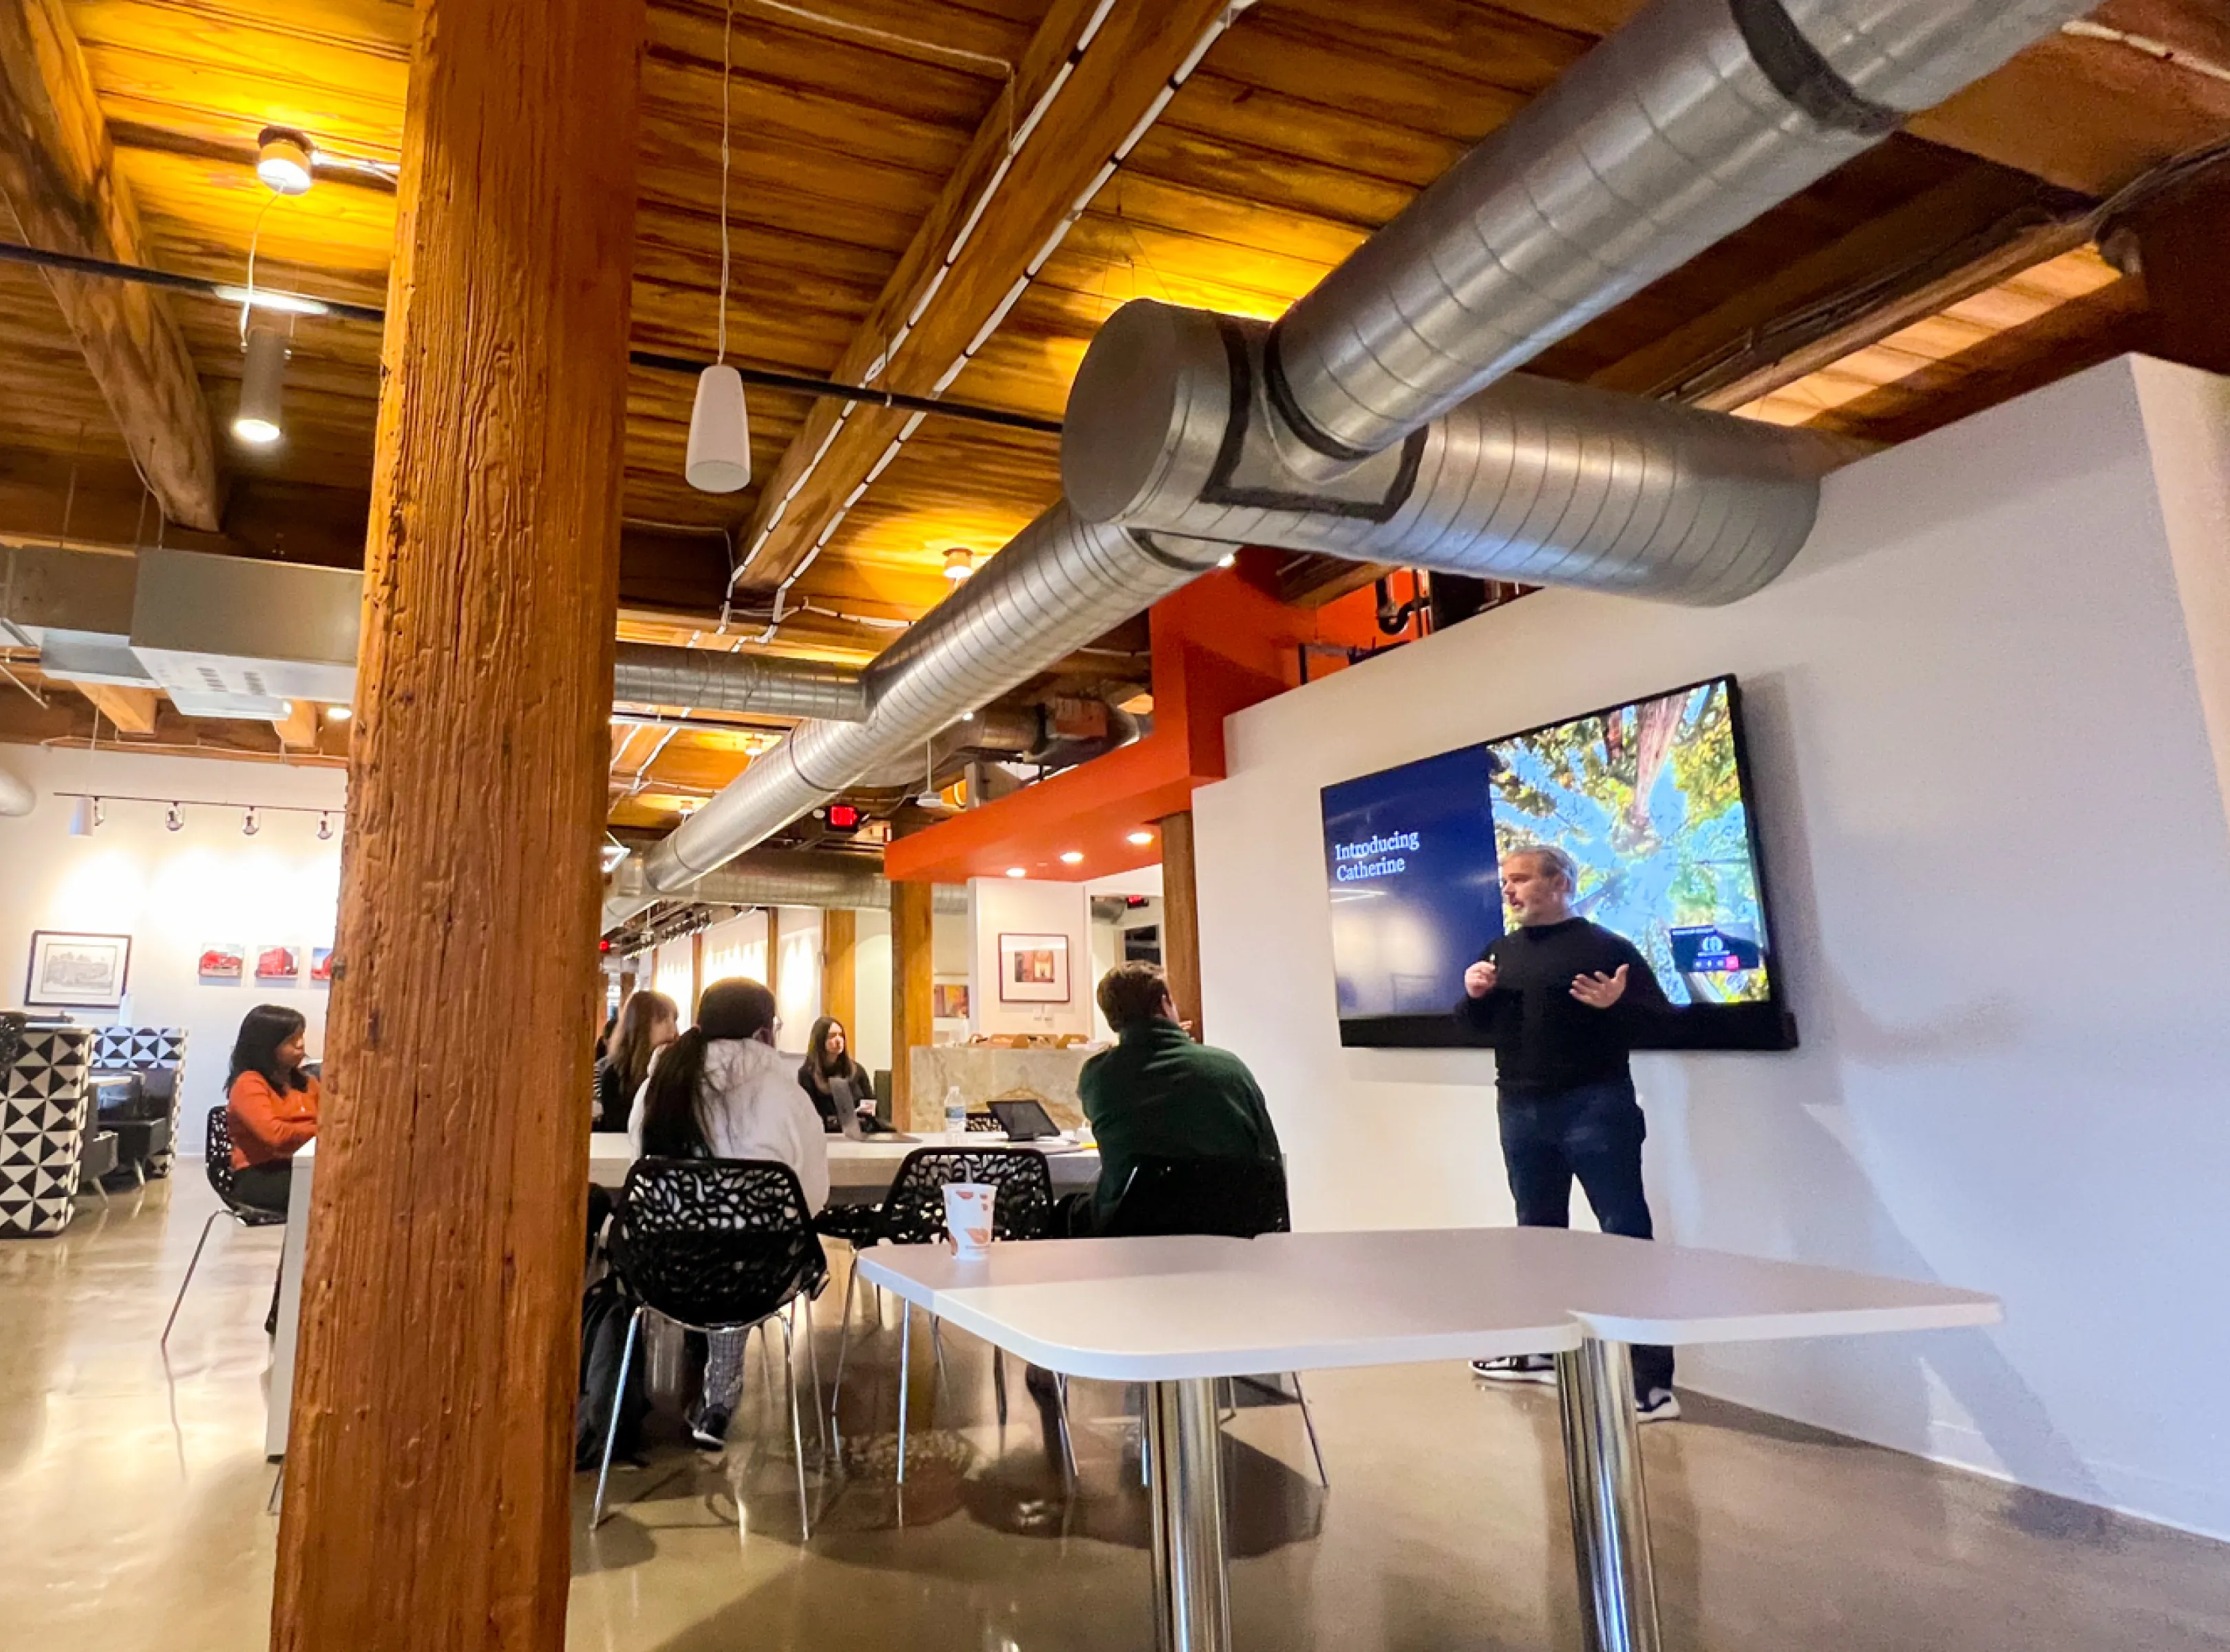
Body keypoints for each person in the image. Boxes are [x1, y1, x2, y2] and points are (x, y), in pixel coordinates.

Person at [1457, 843, 1681, 1421]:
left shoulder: (1607, 948)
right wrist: (1475, 996)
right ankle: (1538, 1349)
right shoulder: (1499, 952)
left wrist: (1616, 1006)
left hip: (1596, 1107)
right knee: (1536, 1234)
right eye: (1505, 880)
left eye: (1522, 879)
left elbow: (1662, 1023)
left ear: (1561, 884)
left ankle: (1649, 1382)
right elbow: (1476, 1028)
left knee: (1624, 1237)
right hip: (1520, 1106)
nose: (1508, 889)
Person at [626, 977, 829, 1448]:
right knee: (741, 1250)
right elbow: (812, 1201)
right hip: (758, 1281)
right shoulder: (788, 1098)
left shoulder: (659, 1089)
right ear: (764, 1033)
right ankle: (720, 1394)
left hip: (665, 1274)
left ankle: (695, 1394)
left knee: (715, 1246)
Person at [1076, 962, 1282, 1231]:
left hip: (1133, 1228)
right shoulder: (1229, 1067)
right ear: (1165, 1003)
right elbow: (1268, 1153)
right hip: (1231, 1224)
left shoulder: (1098, 1075)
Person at [225, 1004, 319, 1216]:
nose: (301, 1045)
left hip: (302, 1166)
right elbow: (275, 1136)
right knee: (335, 1191)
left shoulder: (307, 1082)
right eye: (291, 1040)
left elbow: (336, 1121)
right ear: (266, 1046)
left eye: (301, 1036)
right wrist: (320, 1131)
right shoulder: (249, 1084)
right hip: (261, 1175)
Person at [596, 989, 677, 1133]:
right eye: (663, 1020)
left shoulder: (677, 1068)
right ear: (642, 1025)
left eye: (674, 1020)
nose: (674, 1029)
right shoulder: (615, 1075)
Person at [796, 1015, 876, 1133]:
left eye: (841, 1035)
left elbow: (872, 1105)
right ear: (820, 1040)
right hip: (826, 1135)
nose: (838, 1040)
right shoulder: (807, 1074)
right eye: (832, 1036)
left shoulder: (857, 1070)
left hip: (860, 1133)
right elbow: (809, 1116)